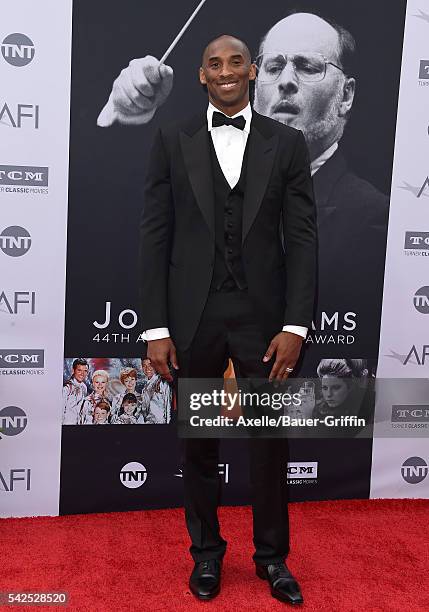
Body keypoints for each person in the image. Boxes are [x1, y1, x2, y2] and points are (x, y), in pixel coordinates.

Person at [139, 35, 316, 604]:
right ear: (200, 75)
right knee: (199, 444)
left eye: (236, 62)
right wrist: (156, 328)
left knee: (269, 444)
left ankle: (271, 560)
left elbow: (304, 241)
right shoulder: (172, 139)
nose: (226, 72)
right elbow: (155, 237)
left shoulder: (287, 144)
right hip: (194, 316)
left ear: (253, 70)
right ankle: (207, 556)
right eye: (214, 64)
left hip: (264, 318)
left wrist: (296, 325)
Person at [97, 11, 388, 350]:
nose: (286, 81)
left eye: (308, 67)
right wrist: (118, 119)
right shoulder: (199, 166)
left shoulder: (372, 218)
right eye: (274, 67)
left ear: (346, 96)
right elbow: (120, 239)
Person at [139, 358, 171, 424]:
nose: (147, 368)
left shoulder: (162, 383)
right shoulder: (144, 388)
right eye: (144, 365)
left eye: (150, 365)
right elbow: (144, 410)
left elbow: (168, 407)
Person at [62, 358, 89, 425]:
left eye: (85, 371)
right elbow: (61, 410)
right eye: (79, 370)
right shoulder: (66, 388)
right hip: (67, 424)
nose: (82, 374)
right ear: (73, 370)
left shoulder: (84, 387)